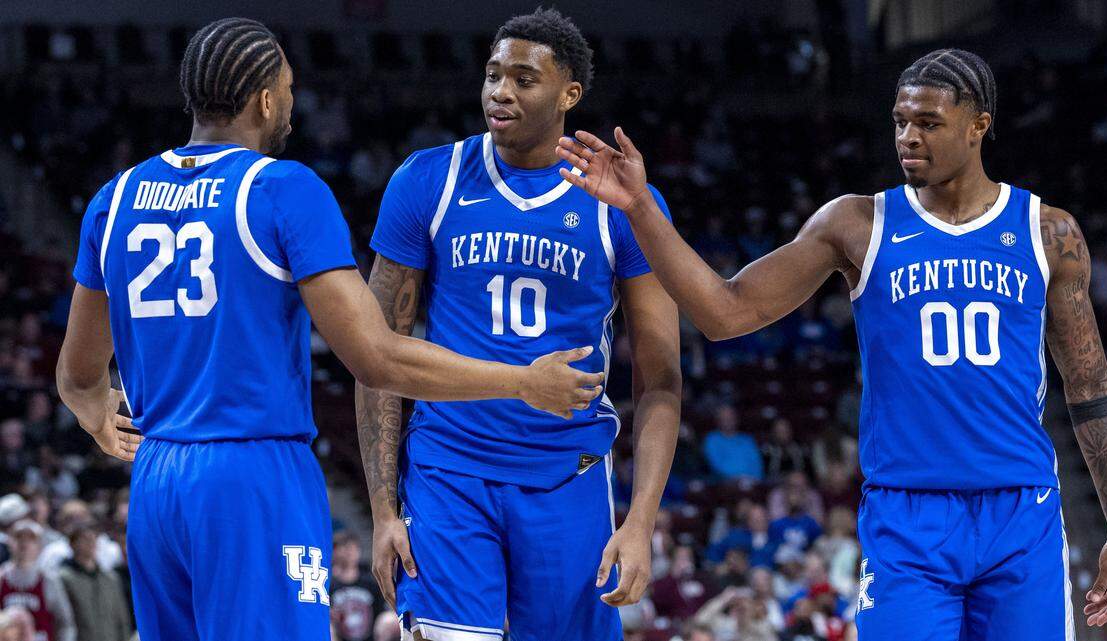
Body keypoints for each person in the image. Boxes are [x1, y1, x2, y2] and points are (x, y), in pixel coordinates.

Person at [54, 17, 603, 641]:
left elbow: (77, 377)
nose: (292, 104)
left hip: (156, 482)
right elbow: (377, 359)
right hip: (253, 473)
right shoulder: (282, 189)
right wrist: (521, 382)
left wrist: (99, 418)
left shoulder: (115, 198)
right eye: (288, 89)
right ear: (265, 100)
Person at [558, 47, 1107, 639]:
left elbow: (1091, 387)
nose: (908, 138)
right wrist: (641, 208)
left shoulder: (1048, 232)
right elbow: (723, 313)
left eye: (928, 123)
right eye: (900, 121)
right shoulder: (857, 223)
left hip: (1021, 513)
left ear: (978, 125)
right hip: (907, 518)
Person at [357, 9, 681, 641]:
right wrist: (382, 510)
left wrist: (641, 521)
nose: (500, 92)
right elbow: (377, 355)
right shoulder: (428, 179)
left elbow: (661, 378)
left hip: (568, 475)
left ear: (569, 94)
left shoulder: (620, 201)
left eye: (524, 79)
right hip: (448, 469)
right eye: (493, 75)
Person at [0, 521, 74, 641]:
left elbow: (66, 623)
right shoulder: (2, 577)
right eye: (19, 538)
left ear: (39, 546)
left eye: (30, 540)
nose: (24, 544)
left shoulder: (48, 579)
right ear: (10, 543)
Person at [57, 523, 132, 641]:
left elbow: (122, 619)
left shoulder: (111, 579)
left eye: (93, 538)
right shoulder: (63, 578)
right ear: (72, 544)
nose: (91, 543)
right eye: (84, 539)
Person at [329, 531, 384, 641]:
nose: (350, 552)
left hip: (370, 635)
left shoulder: (370, 581)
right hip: (338, 635)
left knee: (388, 620)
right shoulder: (328, 582)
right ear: (335, 552)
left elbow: (381, 610)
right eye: (345, 548)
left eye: (354, 548)